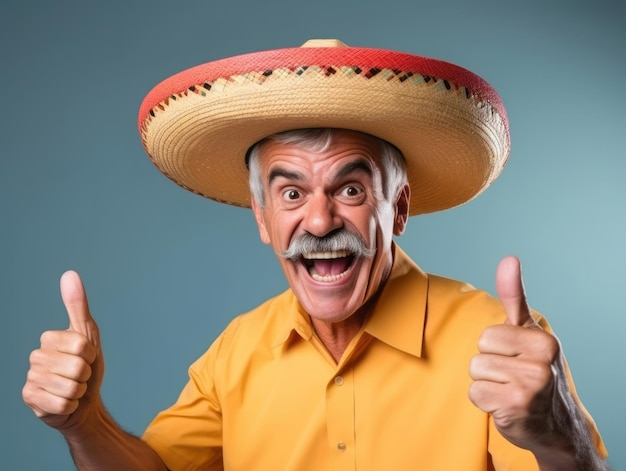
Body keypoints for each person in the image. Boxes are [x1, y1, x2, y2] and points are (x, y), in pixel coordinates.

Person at [22, 39, 609, 470]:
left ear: (398, 208)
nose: (321, 220)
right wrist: (84, 423)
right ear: (262, 218)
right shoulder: (236, 353)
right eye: (292, 193)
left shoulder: (493, 340)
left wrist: (560, 441)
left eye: (351, 189)